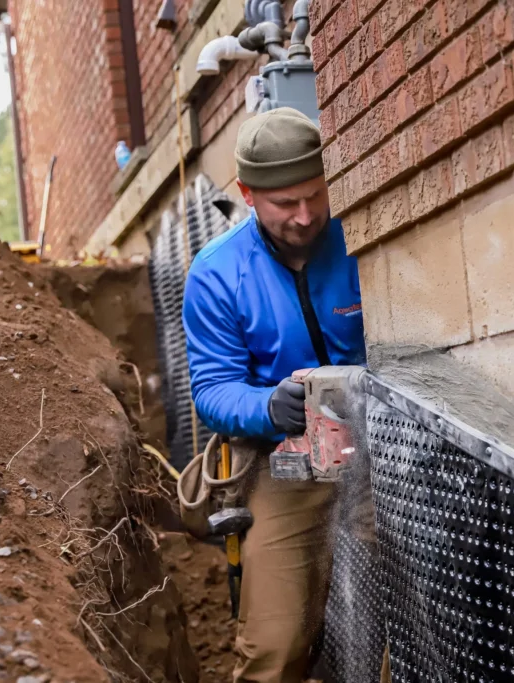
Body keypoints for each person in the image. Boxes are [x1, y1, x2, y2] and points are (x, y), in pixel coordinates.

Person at [181, 107, 368, 683]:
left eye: (315, 195)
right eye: (286, 204)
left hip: (388, 449)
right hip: (292, 457)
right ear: (247, 194)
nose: (305, 215)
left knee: (405, 618)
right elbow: (212, 389)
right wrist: (266, 407)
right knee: (277, 640)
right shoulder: (216, 274)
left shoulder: (362, 233)